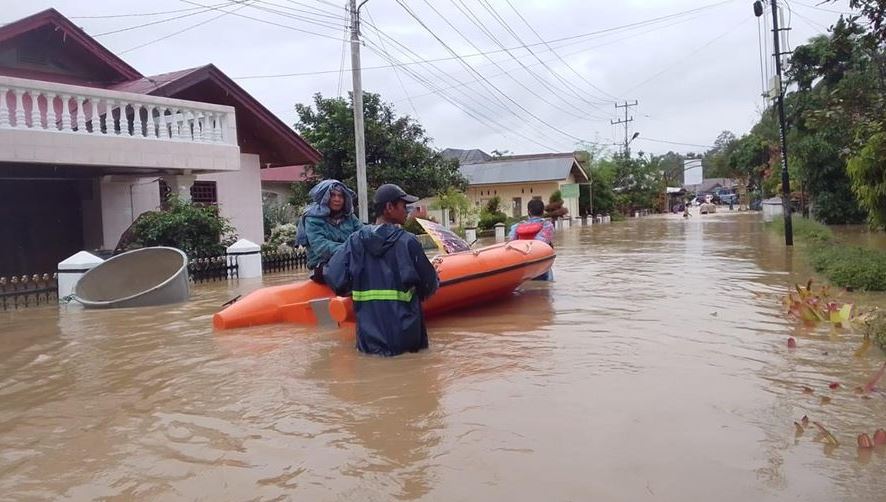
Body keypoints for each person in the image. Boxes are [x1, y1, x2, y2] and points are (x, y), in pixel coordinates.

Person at [325, 184, 440, 357]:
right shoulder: (408, 242)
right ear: (389, 207)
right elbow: (429, 286)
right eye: (403, 206)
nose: (407, 210)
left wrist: (358, 286)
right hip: (405, 340)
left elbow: (334, 278)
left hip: (368, 341)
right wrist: (432, 275)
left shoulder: (354, 241)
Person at [294, 179, 363, 284]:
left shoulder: (350, 217)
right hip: (322, 265)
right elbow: (320, 246)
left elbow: (362, 234)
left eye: (340, 196)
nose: (337, 199)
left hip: (348, 261)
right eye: (333, 195)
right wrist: (349, 249)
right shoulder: (312, 218)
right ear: (325, 198)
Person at [508, 198, 555, 281]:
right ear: (543, 211)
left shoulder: (517, 226)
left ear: (528, 212)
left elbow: (511, 242)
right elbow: (542, 243)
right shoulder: (547, 225)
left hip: (522, 265)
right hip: (540, 264)